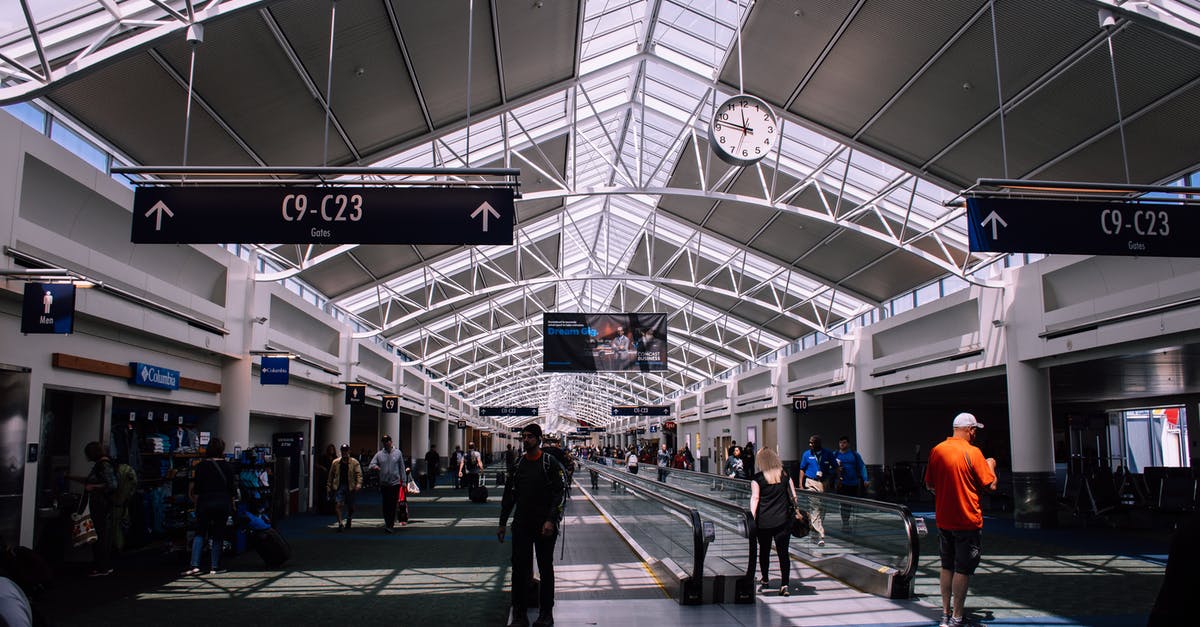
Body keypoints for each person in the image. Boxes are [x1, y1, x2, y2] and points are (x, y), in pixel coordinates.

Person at [923, 413, 997, 627]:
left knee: (946, 566)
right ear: (968, 429)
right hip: (967, 520)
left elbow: (930, 485)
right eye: (974, 429)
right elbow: (990, 485)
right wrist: (990, 464)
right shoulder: (973, 453)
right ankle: (957, 616)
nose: (975, 433)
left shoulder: (937, 450)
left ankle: (945, 614)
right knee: (963, 569)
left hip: (944, 519)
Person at [497, 423, 567, 627]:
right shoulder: (518, 465)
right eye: (523, 436)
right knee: (519, 569)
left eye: (529, 436)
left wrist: (551, 520)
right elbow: (509, 496)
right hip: (522, 524)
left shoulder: (549, 463)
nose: (525, 440)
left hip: (544, 526)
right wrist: (502, 522)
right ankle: (520, 615)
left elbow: (559, 494)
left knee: (546, 568)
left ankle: (546, 614)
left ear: (538, 438)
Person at [749, 447, 799, 596]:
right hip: (783, 521)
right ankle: (785, 584)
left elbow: (755, 498)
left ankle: (765, 578)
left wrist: (751, 518)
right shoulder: (785, 475)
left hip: (763, 522)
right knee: (783, 553)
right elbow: (794, 497)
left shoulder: (757, 479)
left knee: (764, 551)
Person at [183, 437, 235, 575]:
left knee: (200, 533)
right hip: (222, 502)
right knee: (218, 534)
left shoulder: (200, 466)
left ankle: (194, 564)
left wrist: (195, 502)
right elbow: (232, 489)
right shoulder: (228, 467)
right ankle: (215, 566)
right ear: (222, 450)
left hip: (204, 502)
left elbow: (196, 489)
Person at [68, 441, 117, 577]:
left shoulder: (104, 465)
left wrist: (93, 487)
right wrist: (72, 478)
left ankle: (102, 566)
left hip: (100, 505)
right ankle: (101, 565)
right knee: (99, 534)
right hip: (100, 504)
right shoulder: (102, 465)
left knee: (99, 534)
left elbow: (112, 485)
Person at [798, 435, 836, 546]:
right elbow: (802, 469)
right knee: (814, 507)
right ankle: (821, 534)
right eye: (809, 442)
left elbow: (835, 467)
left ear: (819, 443)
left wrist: (835, 478)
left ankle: (814, 530)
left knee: (822, 508)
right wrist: (800, 484)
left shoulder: (827, 453)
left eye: (813, 443)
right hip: (811, 482)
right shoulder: (806, 454)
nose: (810, 445)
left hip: (823, 483)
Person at [369, 435, 409, 533]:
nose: (386, 443)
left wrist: (403, 482)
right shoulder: (379, 454)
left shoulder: (398, 453)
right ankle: (388, 522)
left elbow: (401, 468)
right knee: (385, 504)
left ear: (391, 441)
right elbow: (371, 465)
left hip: (395, 484)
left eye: (387, 441)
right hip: (384, 484)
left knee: (392, 504)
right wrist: (376, 467)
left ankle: (390, 524)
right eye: (384, 441)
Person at [834, 435, 869, 531]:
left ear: (848, 444)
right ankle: (845, 523)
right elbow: (830, 467)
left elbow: (862, 467)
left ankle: (849, 522)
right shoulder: (835, 454)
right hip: (841, 484)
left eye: (844, 442)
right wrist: (837, 470)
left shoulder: (854, 455)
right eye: (840, 443)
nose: (842, 444)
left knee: (850, 503)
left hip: (853, 483)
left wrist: (865, 479)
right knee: (843, 504)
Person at [327, 444, 362, 532]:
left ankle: (349, 517)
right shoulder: (335, 462)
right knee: (338, 505)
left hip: (350, 486)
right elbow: (330, 476)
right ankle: (340, 523)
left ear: (349, 451)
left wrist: (358, 484)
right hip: (339, 486)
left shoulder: (354, 462)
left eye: (346, 450)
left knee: (351, 507)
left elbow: (359, 474)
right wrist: (328, 487)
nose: (344, 452)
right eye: (343, 450)